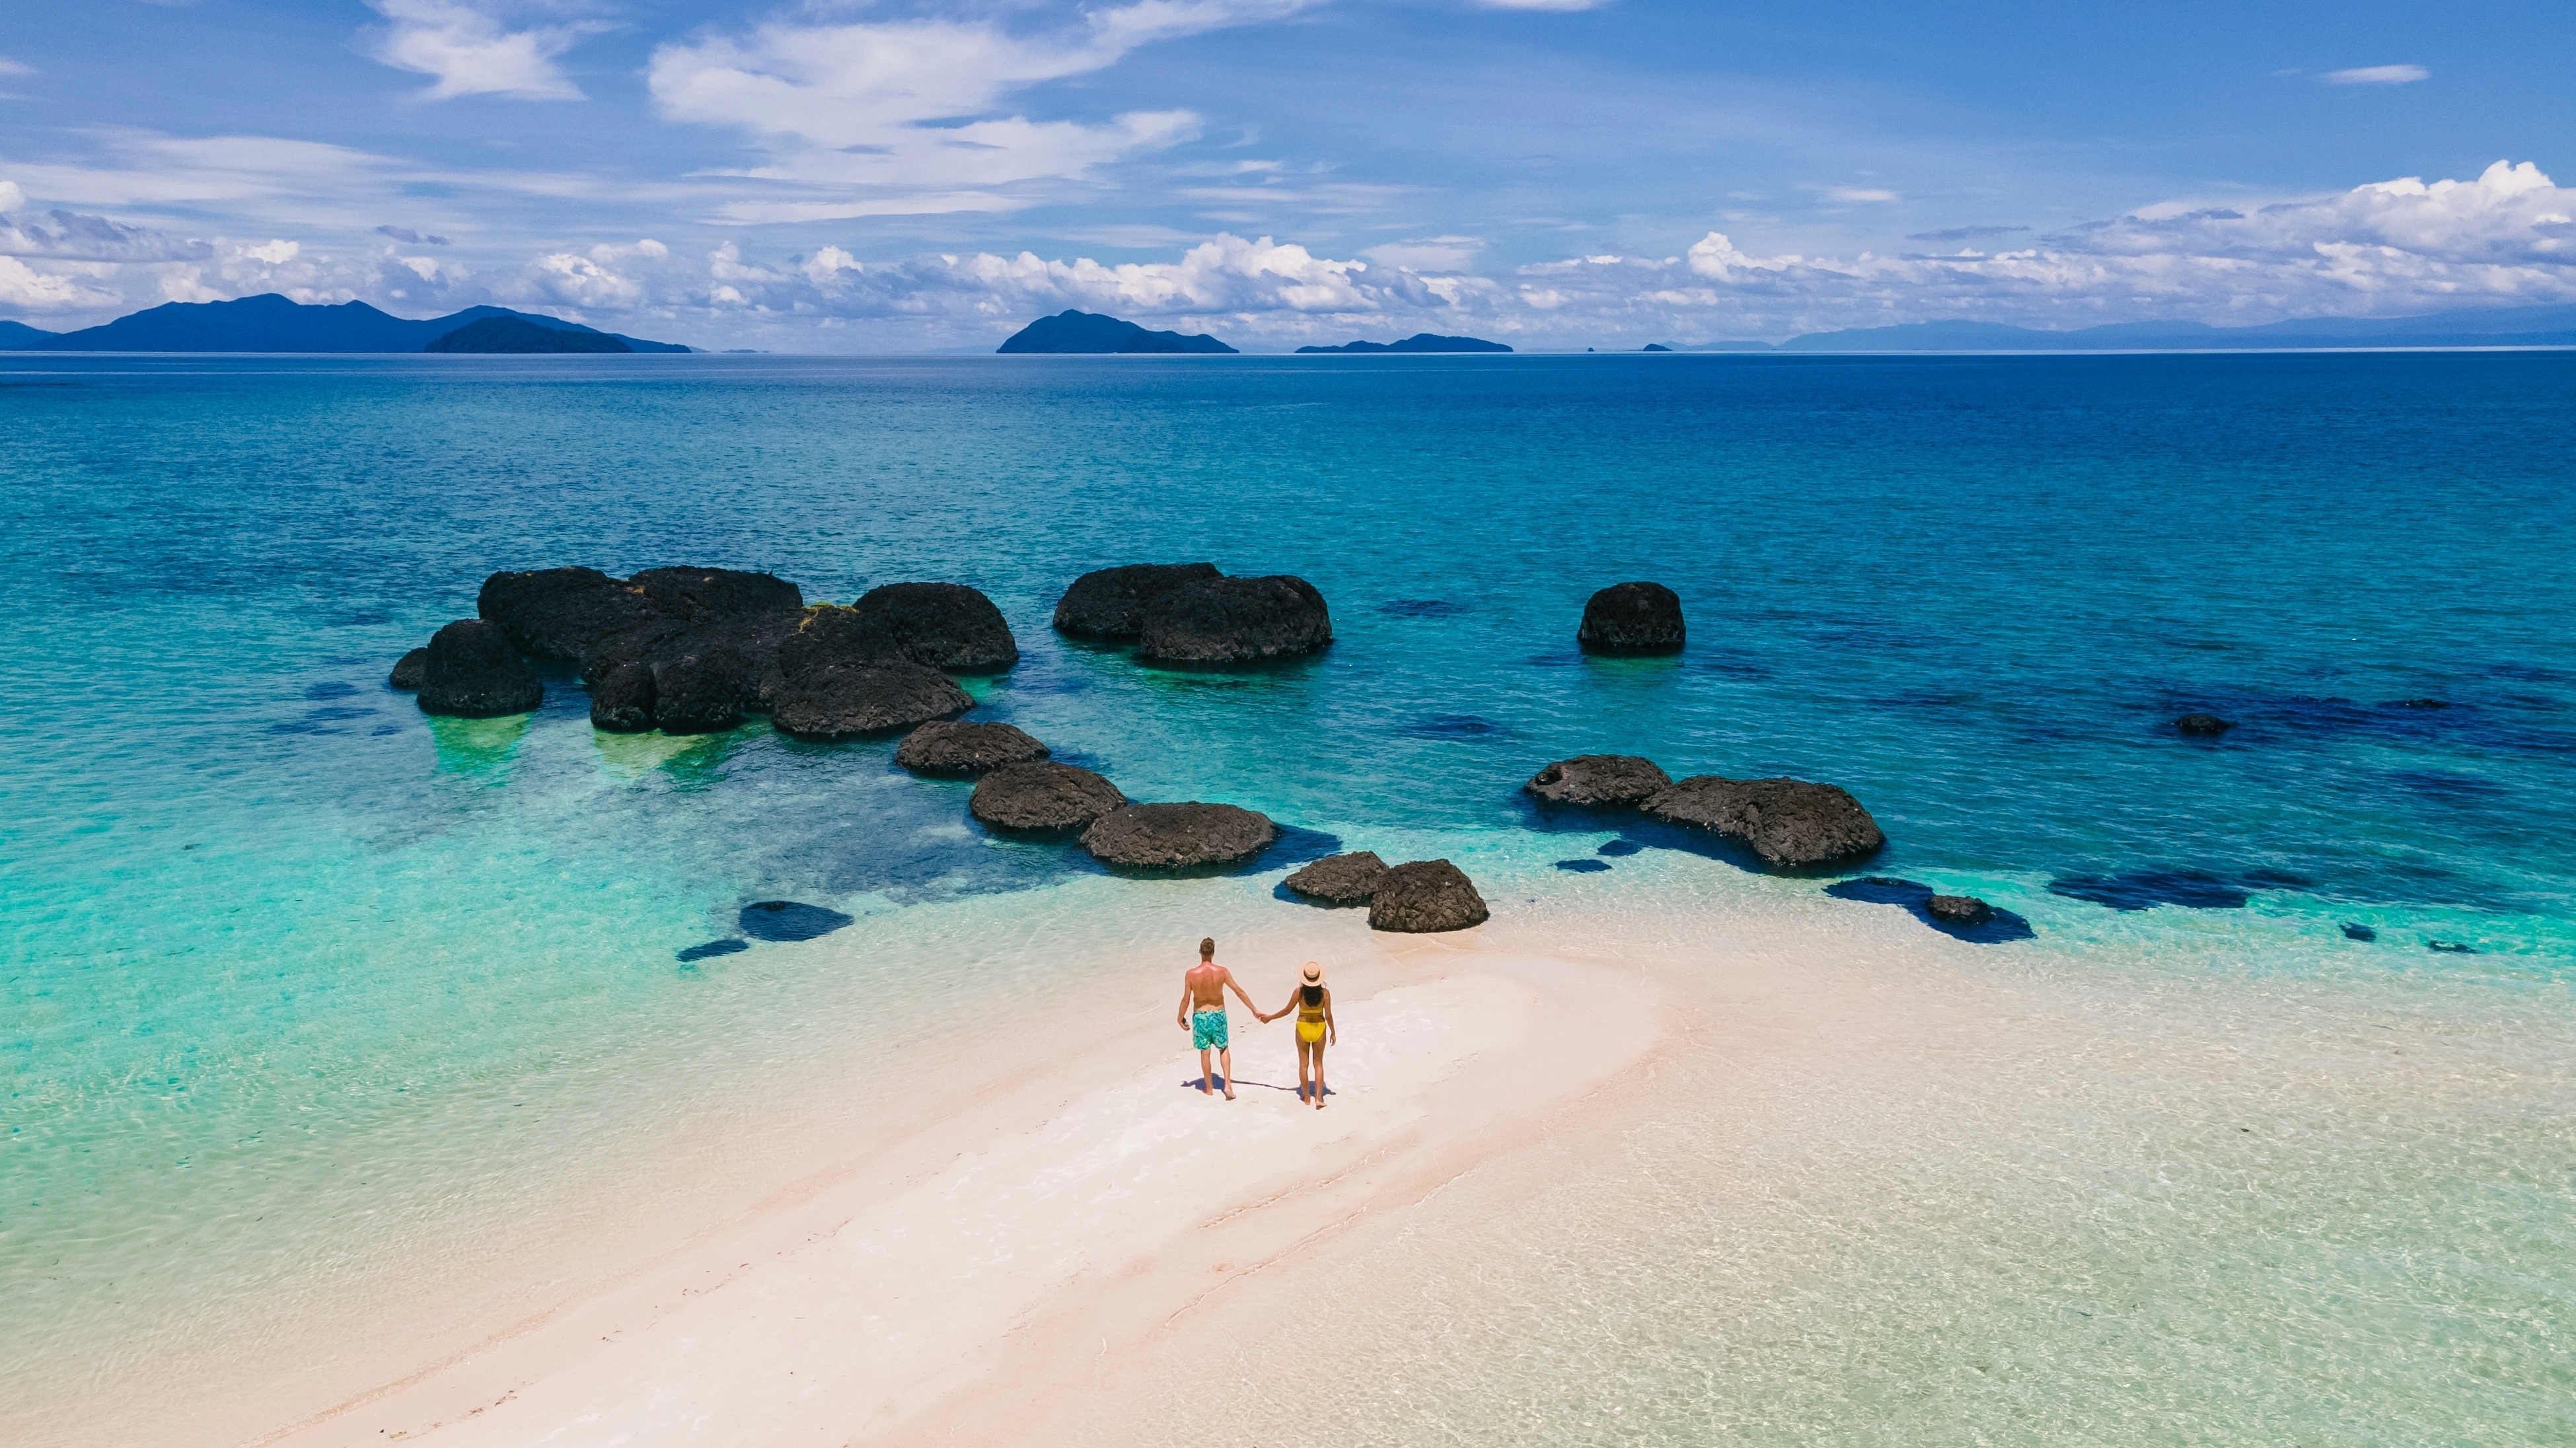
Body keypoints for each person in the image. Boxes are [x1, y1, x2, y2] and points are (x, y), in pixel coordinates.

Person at [1176, 937, 1259, 1099]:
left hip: (1201, 1017)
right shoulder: (1222, 971)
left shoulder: (1191, 974)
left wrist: (1180, 1018)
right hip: (1219, 1015)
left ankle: (1209, 1088)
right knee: (1223, 1048)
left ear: (1200, 952)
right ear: (1213, 953)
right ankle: (1228, 1085)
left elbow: (1186, 999)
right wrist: (1253, 1010)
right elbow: (1239, 991)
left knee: (1205, 1052)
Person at [1258, 961, 1335, 1108]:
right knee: (1318, 1064)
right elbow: (1329, 1016)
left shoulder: (1298, 992)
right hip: (1319, 1028)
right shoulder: (1325, 993)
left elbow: (1286, 1011)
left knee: (1304, 1064)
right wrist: (1333, 1032)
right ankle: (1319, 1098)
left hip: (1302, 1028)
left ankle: (1306, 1097)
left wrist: (1270, 1018)